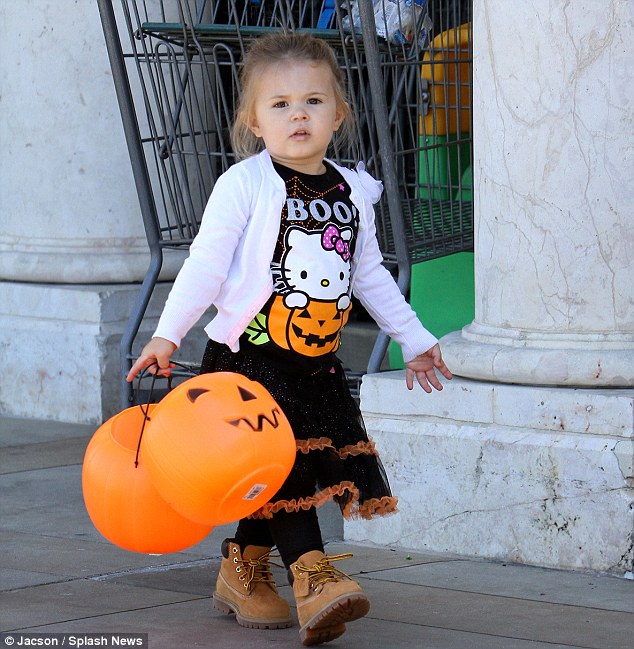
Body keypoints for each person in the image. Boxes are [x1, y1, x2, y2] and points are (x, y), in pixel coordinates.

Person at [127, 32, 452, 647]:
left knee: (268, 468)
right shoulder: (245, 185)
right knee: (287, 464)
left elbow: (368, 274)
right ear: (253, 120)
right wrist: (168, 334)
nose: (297, 114)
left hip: (313, 362)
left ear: (340, 114)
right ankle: (313, 576)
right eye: (279, 105)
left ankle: (241, 569)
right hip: (249, 358)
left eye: (312, 101)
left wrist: (413, 336)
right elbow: (204, 264)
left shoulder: (354, 190)